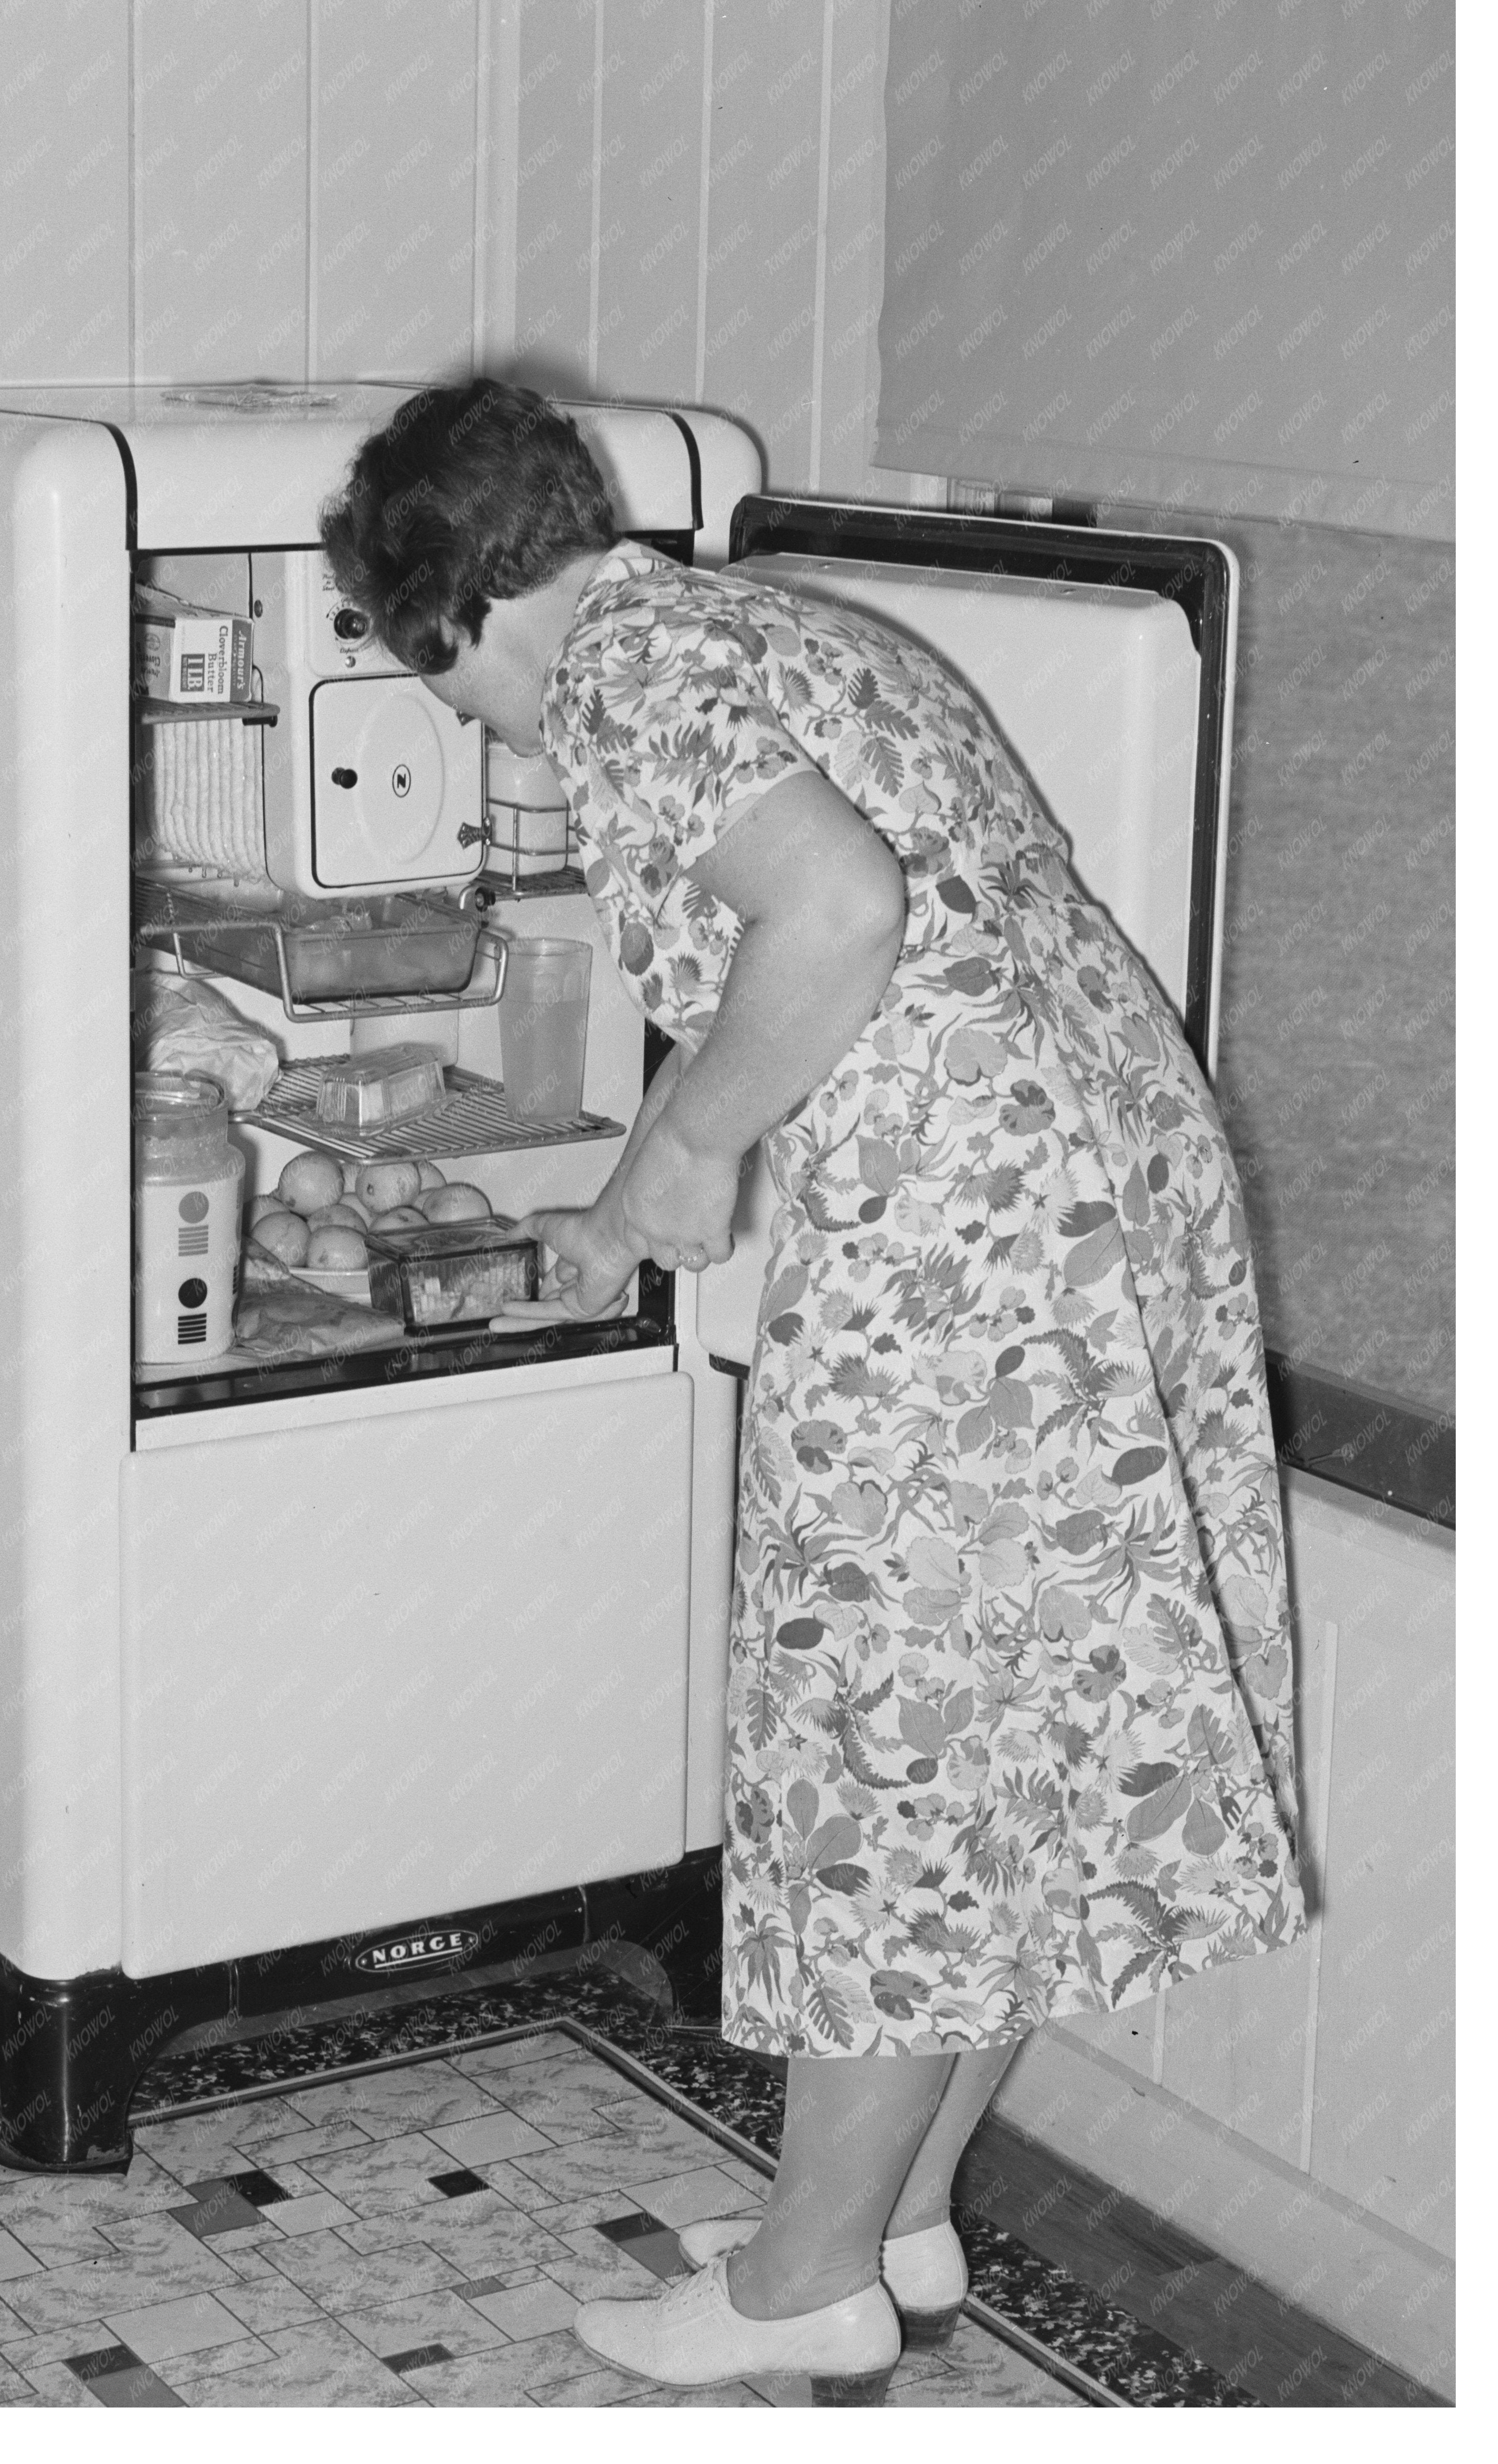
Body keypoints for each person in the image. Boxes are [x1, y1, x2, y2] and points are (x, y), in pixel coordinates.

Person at [321, 379, 1306, 2400]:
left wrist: (684, 1151)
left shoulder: (627, 673)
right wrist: (647, 1179)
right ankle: (887, 2219)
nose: (462, 718)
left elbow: (835, 915)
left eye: (429, 674)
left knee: (891, 1756)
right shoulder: (770, 626)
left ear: (449, 617)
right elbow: (854, 939)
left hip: (975, 1256)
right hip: (1100, 1202)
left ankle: (799, 2285)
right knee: (1000, 1744)